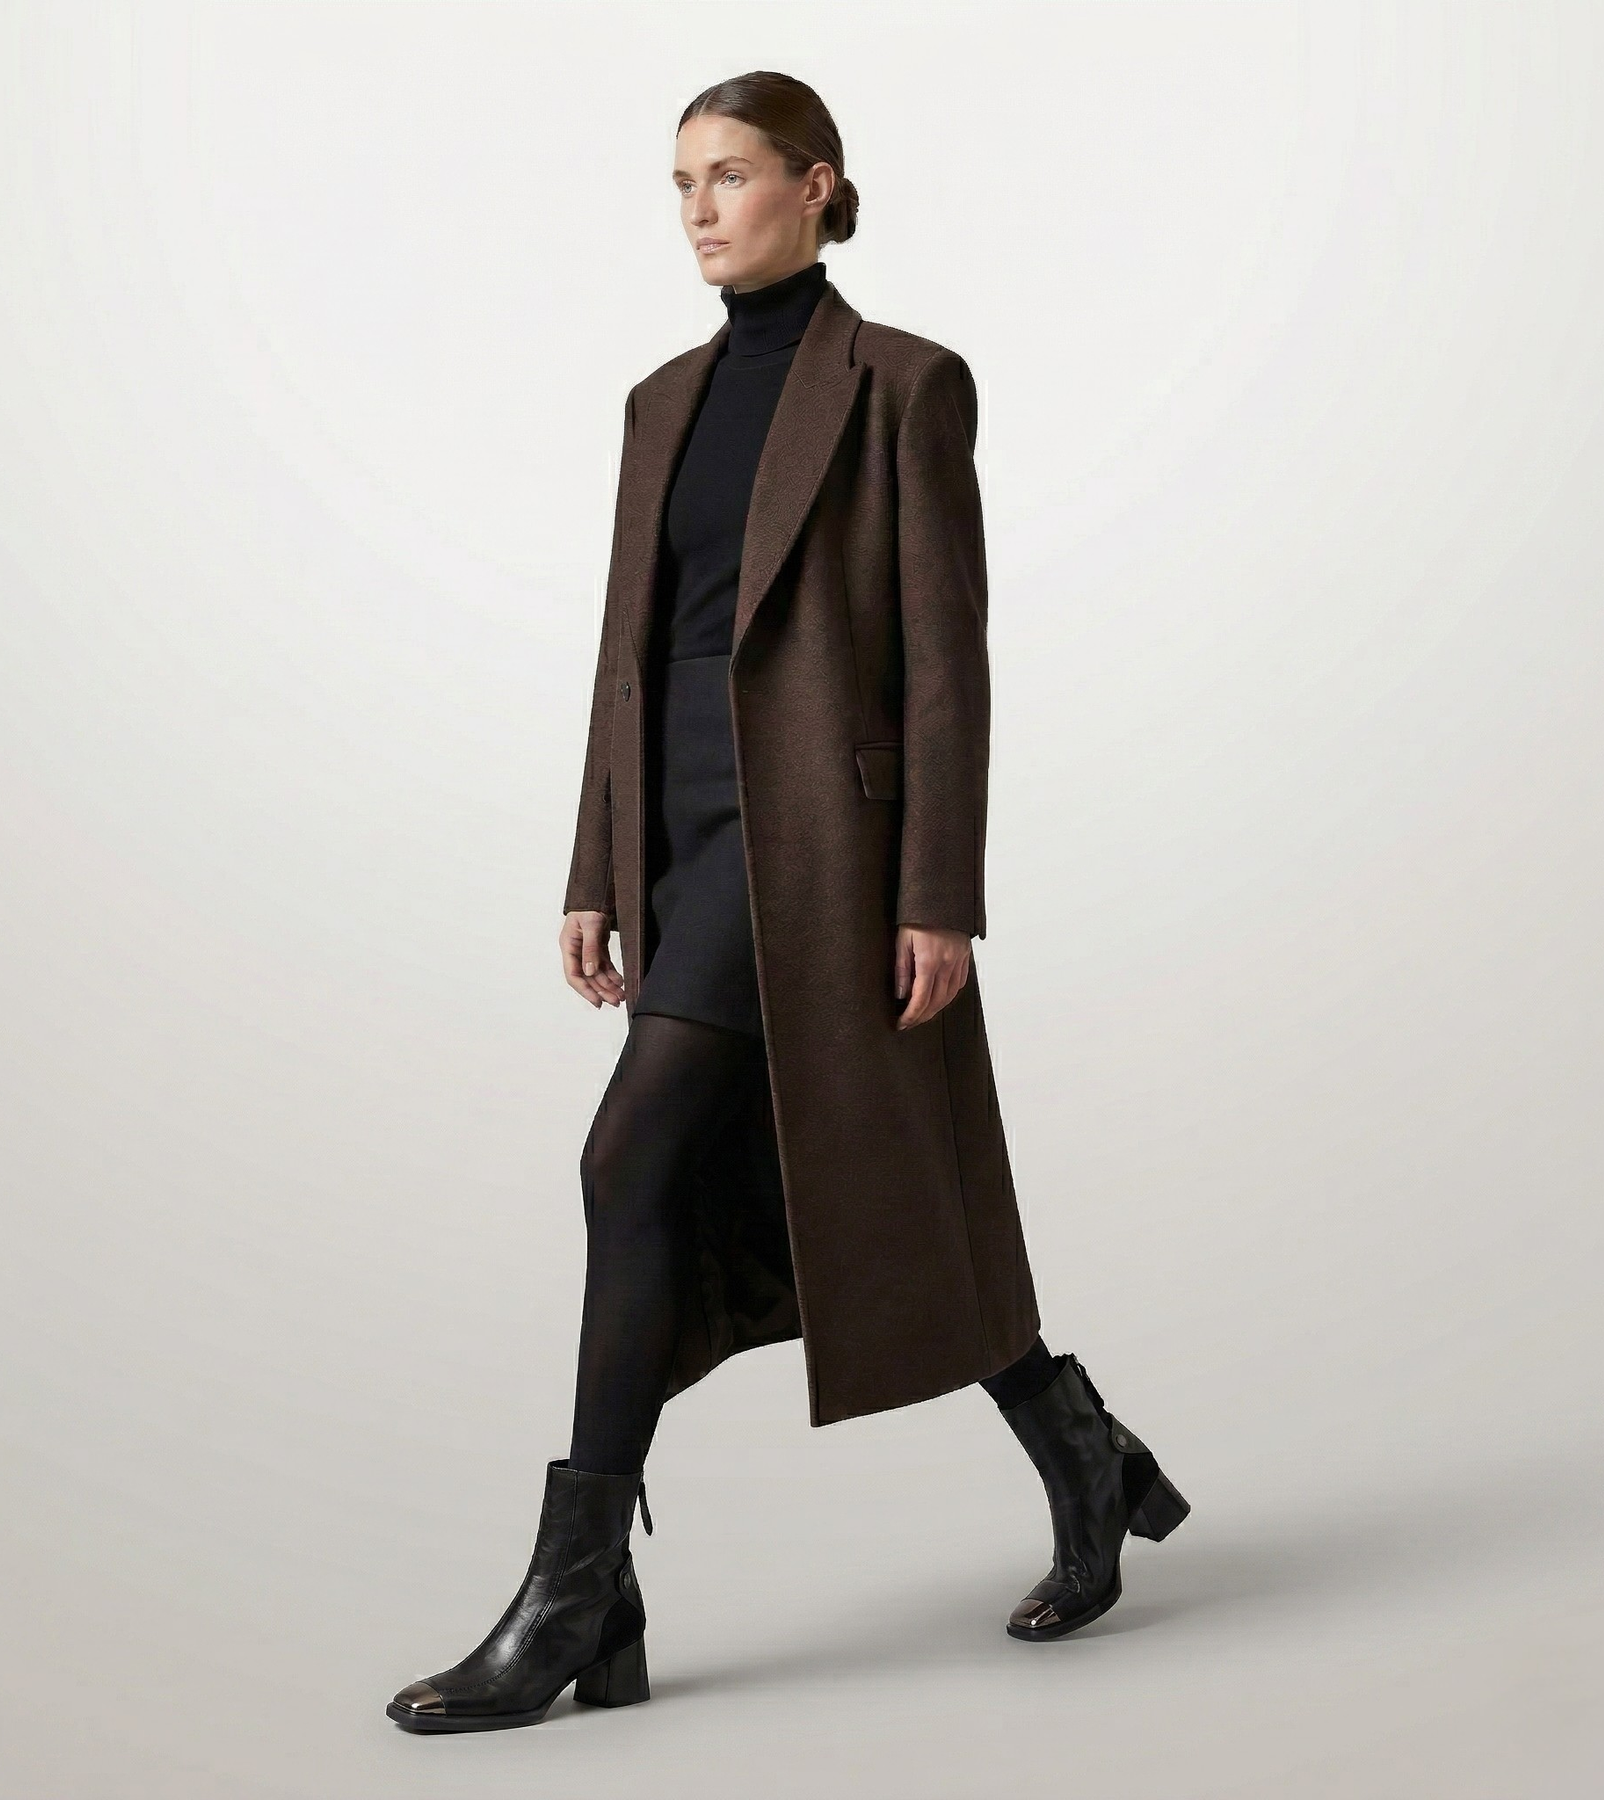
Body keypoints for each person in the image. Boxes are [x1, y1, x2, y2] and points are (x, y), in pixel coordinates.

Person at [387, 70, 1187, 1735]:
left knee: (630, 1161)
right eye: (681, 180)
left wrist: (938, 893)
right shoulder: (659, 402)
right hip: (682, 842)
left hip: (818, 852)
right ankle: (1080, 1446)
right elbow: (629, 652)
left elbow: (948, 660)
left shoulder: (904, 385)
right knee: (866, 1194)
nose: (700, 208)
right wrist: (597, 865)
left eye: (733, 175)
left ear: (817, 187)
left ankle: (575, 1594)